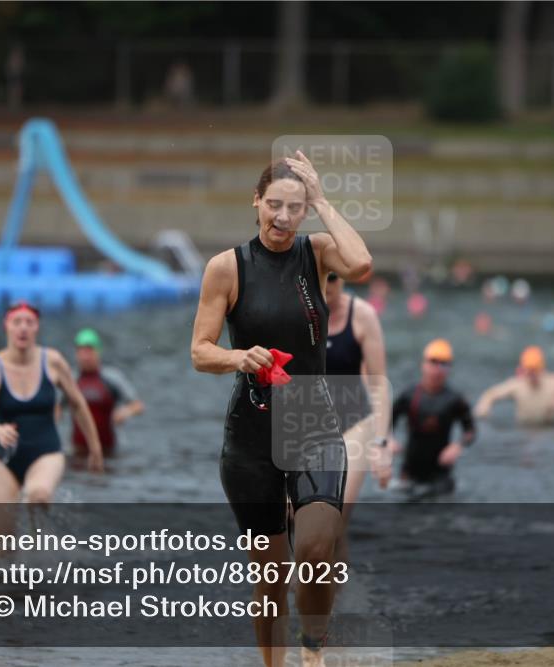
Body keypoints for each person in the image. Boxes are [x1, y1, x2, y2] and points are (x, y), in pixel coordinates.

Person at [190, 152, 372, 667]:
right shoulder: (226, 268)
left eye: (295, 208)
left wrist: (322, 200)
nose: (283, 217)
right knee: (269, 581)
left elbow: (360, 263)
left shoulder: (315, 254)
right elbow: (199, 351)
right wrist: (237, 356)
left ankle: (313, 651)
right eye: (274, 205)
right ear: (256, 202)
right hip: (249, 436)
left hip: (310, 421)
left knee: (316, 550)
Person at [0, 302, 103, 549]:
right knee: (4, 548)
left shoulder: (52, 361)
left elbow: (77, 404)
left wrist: (95, 447)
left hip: (46, 452)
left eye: (29, 323)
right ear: (7, 327)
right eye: (17, 322)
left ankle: (43, 556)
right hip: (3, 458)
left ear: (37, 328)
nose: (23, 328)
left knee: (38, 495)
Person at [323, 270, 392, 567]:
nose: (327, 286)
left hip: (354, 425)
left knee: (334, 519)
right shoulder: (296, 311)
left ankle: (333, 601)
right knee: (292, 518)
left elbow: (379, 385)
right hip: (305, 425)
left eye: (334, 278)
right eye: (321, 277)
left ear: (345, 278)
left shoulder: (362, 315)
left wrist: (381, 442)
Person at [390, 339, 475, 500]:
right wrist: (389, 439)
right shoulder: (409, 395)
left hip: (441, 474)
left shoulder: (455, 399)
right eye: (433, 362)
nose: (437, 369)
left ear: (449, 369)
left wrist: (458, 446)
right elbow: (386, 421)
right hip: (409, 472)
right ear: (424, 364)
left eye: (444, 364)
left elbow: (470, 430)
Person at [58, 328, 144, 460]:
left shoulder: (112, 378)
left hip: (110, 449)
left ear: (98, 351)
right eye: (82, 351)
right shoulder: (71, 380)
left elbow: (138, 405)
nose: (86, 356)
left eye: (89, 350)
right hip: (78, 448)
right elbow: (57, 408)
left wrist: (124, 412)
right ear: (77, 354)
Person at [474, 346, 554, 426]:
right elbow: (490, 394)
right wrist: (483, 408)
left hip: (550, 430)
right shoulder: (517, 384)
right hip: (523, 429)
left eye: (535, 370)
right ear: (523, 369)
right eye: (529, 370)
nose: (531, 374)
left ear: (542, 368)